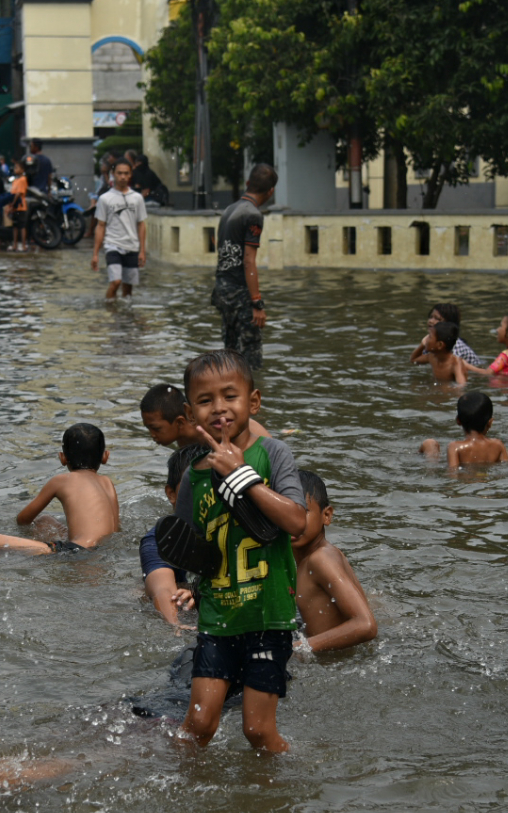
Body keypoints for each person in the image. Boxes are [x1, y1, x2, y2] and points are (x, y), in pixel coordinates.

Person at [169, 350, 307, 753]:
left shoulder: (273, 453)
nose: (219, 409)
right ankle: (188, 803)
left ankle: (290, 785)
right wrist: (187, 584)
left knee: (258, 732)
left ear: (253, 401)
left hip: (269, 616)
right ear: (190, 412)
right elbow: (187, 544)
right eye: (205, 400)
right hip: (218, 616)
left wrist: (242, 475)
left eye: (230, 396)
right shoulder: (192, 476)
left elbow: (297, 523)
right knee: (197, 726)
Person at [0, 424, 120, 555]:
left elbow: (23, 519)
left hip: (75, 552)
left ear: (62, 457)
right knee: (44, 521)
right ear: (105, 457)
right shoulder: (107, 482)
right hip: (101, 551)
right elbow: (115, 529)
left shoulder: (60, 480)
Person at [291, 471, 377, 653]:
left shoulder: (320, 559)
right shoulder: (304, 558)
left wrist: (297, 650)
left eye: (303, 511)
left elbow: (366, 625)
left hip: (341, 664)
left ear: (327, 515)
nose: (293, 522)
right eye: (286, 512)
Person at [211, 164, 278, 371]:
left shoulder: (229, 210)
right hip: (240, 294)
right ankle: (253, 399)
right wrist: (256, 302)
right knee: (251, 359)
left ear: (248, 183)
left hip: (222, 290)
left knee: (229, 355)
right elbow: (249, 261)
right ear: (271, 191)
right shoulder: (253, 215)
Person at [141, 444, 209, 627]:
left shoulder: (233, 525)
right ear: (171, 494)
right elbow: (162, 590)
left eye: (211, 484)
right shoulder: (162, 538)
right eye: (192, 486)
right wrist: (176, 625)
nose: (204, 494)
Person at [140, 383, 268, 450]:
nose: (152, 434)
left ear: (179, 422)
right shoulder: (183, 440)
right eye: (148, 428)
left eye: (156, 428)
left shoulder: (216, 428)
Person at [90, 160, 148, 299]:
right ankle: (110, 310)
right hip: (112, 245)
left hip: (132, 246)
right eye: (119, 173)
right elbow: (100, 226)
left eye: (126, 173)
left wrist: (142, 251)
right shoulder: (105, 199)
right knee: (116, 282)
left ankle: (124, 318)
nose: (122, 176)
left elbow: (141, 224)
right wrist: (96, 254)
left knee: (128, 289)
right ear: (113, 174)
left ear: (130, 175)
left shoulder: (137, 198)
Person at [420, 391, 508, 470]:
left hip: (466, 479)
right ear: (490, 423)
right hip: (485, 479)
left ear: (458, 420)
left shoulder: (455, 447)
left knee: (429, 443)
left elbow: (453, 474)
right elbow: (506, 467)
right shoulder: (498, 445)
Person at [410, 303, 482, 368]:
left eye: (437, 319)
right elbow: (415, 361)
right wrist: (422, 345)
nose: (430, 321)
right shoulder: (432, 342)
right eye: (431, 317)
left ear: (448, 325)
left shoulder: (455, 346)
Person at [411, 321, 468, 385]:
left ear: (440, 345)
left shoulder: (455, 362)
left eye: (429, 337)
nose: (426, 339)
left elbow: (461, 386)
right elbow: (414, 360)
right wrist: (422, 345)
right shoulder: (432, 357)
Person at [7, 157, 29, 252]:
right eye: (15, 168)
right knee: (15, 227)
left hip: (20, 207)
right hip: (14, 208)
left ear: (22, 170)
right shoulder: (15, 180)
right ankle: (15, 244)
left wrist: (13, 203)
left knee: (22, 227)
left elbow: (19, 193)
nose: (15, 169)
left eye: (17, 168)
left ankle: (23, 245)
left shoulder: (23, 179)